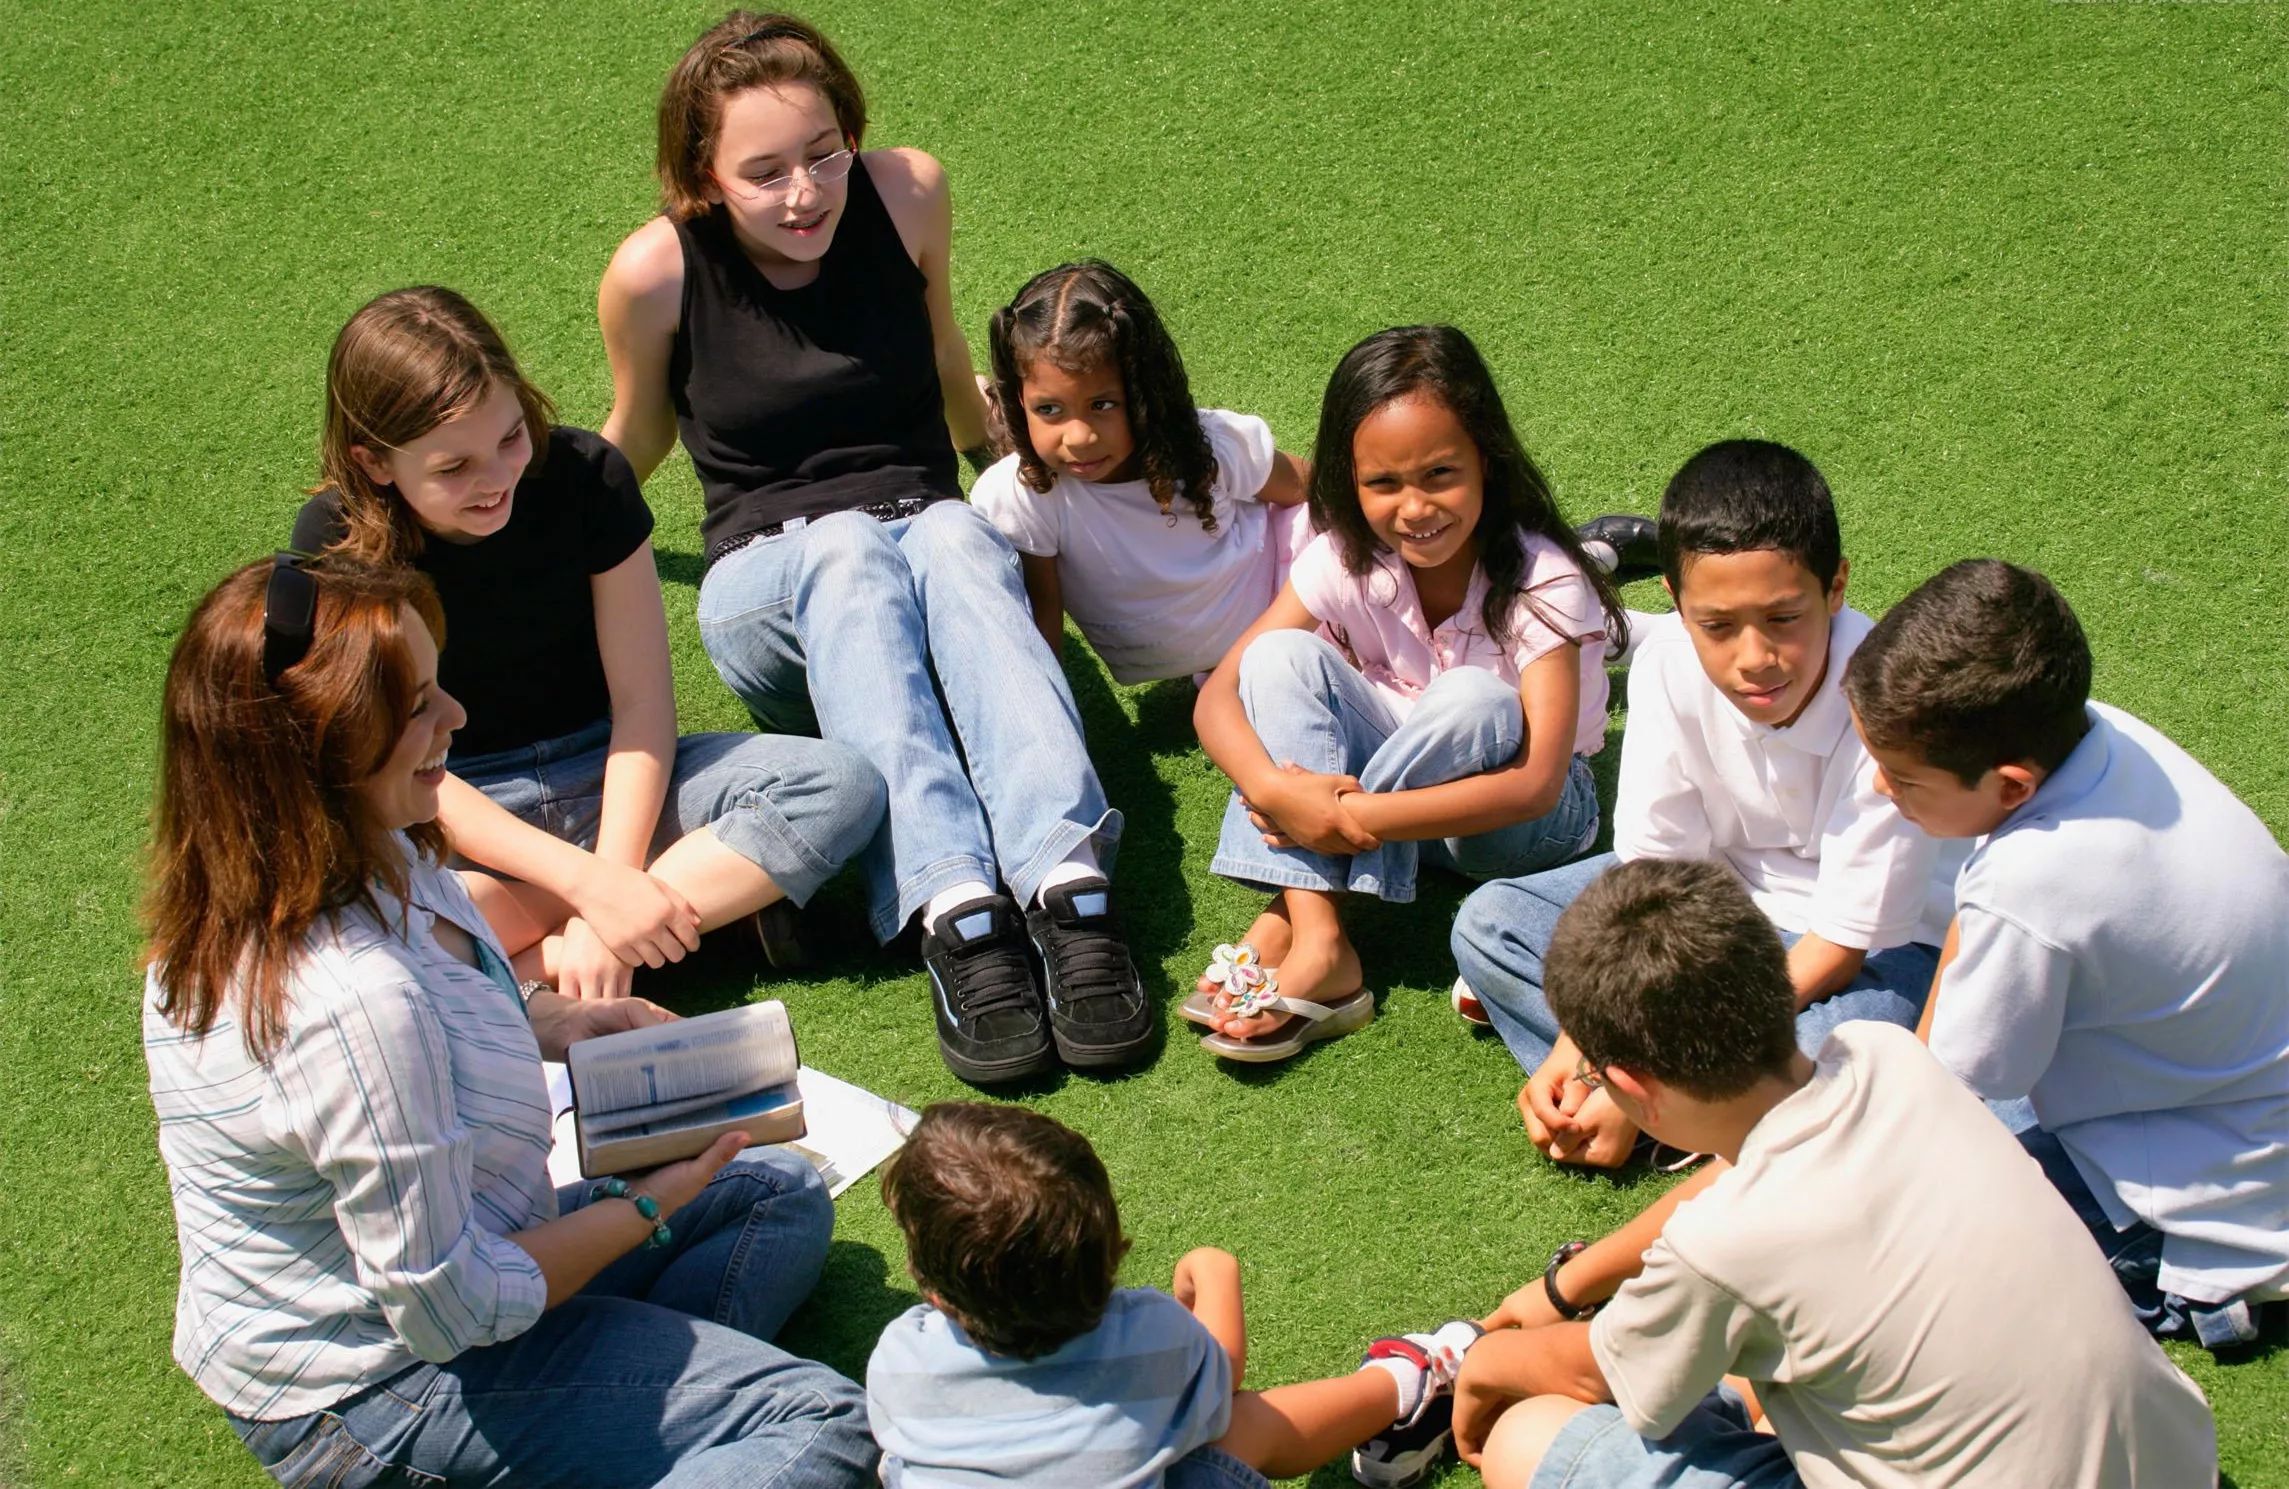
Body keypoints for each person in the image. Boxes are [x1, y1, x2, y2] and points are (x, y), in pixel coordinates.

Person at [142, 558, 873, 1485]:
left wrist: (548, 1016)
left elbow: (440, 990)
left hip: (476, 1256)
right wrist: (651, 1201)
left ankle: (599, 1429)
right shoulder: (349, 1004)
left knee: (774, 1191)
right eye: (415, 706)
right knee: (822, 1428)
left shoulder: (355, 847)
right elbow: (452, 1312)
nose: (454, 717)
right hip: (383, 1386)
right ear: (315, 750)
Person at [598, 11, 1148, 1083]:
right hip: (772, 580)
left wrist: (995, 446)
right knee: (851, 547)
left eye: (821, 152)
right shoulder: (657, 272)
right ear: (702, 180)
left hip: (921, 537)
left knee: (951, 527)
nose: (805, 193)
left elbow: (941, 342)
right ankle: (956, 909)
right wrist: (553, 521)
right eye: (763, 173)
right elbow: (643, 435)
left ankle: (1070, 885)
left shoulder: (907, 194)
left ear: (851, 132)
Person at [1449, 858, 2216, 1489]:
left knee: (1530, 1438)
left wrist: (1482, 1364)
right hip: (2175, 1463)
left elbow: (1590, 1376)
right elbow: (1748, 1174)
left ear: (1635, 1087)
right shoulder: (1893, 1057)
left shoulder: (1718, 1250)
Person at [299, 285, 884, 1000]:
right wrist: (591, 887)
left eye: (511, 437)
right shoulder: (336, 542)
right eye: (453, 468)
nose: (495, 480)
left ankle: (549, 964)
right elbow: (395, 758)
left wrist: (608, 891)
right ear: (374, 462)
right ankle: (691, 921)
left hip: (613, 773)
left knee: (838, 784)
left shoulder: (585, 478)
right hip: (453, 797)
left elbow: (642, 707)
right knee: (357, 908)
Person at [1451, 439, 1956, 1165]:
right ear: (1674, 602)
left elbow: (1841, 945)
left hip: (1876, 949)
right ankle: (1702, 1123)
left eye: (1783, 618)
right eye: (1716, 626)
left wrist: (1634, 1064)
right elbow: (1654, 887)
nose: (1753, 657)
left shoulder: (1883, 700)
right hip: (1718, 913)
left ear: (1835, 586)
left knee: (1840, 1055)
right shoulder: (1663, 663)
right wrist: (1587, 1043)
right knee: (1492, 925)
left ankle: (1667, 1115)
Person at [1844, 558, 2289, 1350]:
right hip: (2243, 1123)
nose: (1880, 788)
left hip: (2199, 1228)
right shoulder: (2098, 734)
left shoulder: (2034, 883)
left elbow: (1937, 1103)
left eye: (1904, 777)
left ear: (2011, 785)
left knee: (1884, 1225)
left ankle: (2206, 1299)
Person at [1186, 326, 1626, 1062]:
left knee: (1474, 698)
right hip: (1408, 790)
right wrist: (1272, 786)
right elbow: (1216, 699)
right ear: (1348, 481)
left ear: (1486, 461)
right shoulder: (1344, 559)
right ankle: (1322, 940)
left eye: (1440, 475)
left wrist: (1349, 815)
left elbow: (1537, 784)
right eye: (1383, 484)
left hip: (1521, 827)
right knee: (1277, 655)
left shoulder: (1542, 579)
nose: (1414, 508)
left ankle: (1288, 905)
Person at [866, 1101, 1484, 1488]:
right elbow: (1225, 1375)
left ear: (937, 1292)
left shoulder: (900, 1358)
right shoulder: (1147, 1335)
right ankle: (1408, 1382)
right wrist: (1214, 1270)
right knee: (1236, 1426)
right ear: (1108, 1249)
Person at [969, 259, 1313, 683]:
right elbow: (1043, 623)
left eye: (1103, 405)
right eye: (1049, 409)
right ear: (1020, 405)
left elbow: (1312, 488)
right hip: (1236, 662)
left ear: (1145, 393)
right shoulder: (1024, 497)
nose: (1078, 437)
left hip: (1292, 596)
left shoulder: (1202, 445)